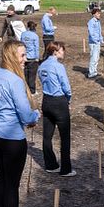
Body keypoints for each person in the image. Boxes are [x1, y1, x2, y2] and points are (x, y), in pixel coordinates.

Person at [0, 39, 40, 207]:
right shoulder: (14, 81)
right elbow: (26, 116)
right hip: (12, 139)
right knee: (11, 184)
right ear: (11, 56)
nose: (25, 59)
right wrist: (36, 115)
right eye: (22, 55)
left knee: (0, 178)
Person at [38, 42, 75, 176]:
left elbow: (42, 81)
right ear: (55, 51)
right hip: (59, 101)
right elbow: (66, 85)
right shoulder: (58, 66)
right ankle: (66, 169)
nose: (63, 52)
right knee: (64, 137)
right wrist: (68, 98)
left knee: (47, 136)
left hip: (46, 100)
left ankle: (51, 164)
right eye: (61, 50)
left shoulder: (41, 66)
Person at [20, 21, 41, 94]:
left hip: (24, 57)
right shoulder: (35, 36)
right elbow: (36, 47)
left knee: (25, 74)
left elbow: (21, 45)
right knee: (32, 75)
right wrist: (37, 58)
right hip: (32, 58)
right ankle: (32, 91)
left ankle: (25, 89)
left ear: (28, 27)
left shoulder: (23, 34)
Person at [87, 9, 103, 78]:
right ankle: (91, 73)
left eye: (99, 13)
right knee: (93, 58)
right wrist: (96, 41)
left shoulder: (98, 21)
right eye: (98, 13)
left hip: (97, 42)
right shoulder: (91, 22)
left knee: (97, 58)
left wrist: (101, 40)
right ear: (94, 14)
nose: (99, 15)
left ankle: (94, 72)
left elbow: (99, 32)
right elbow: (91, 33)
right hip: (93, 43)